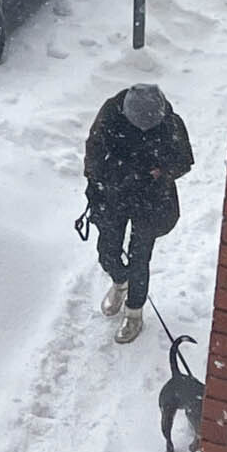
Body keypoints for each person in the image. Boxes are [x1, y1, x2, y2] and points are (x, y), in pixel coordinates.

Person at [83, 83, 195, 344]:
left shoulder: (170, 122)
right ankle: (119, 281)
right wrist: (124, 173)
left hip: (151, 196)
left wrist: (162, 170)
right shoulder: (110, 117)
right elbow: (95, 160)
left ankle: (135, 312)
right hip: (114, 191)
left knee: (140, 255)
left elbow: (184, 160)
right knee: (108, 251)